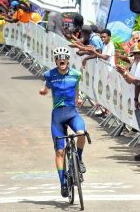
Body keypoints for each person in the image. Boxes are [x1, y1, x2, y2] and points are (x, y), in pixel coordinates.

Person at [39, 47, 87, 198]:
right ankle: (63, 183)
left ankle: (78, 158)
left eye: (64, 57)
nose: (62, 60)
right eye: (59, 57)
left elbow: (77, 88)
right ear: (56, 60)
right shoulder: (50, 75)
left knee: (81, 133)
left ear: (67, 60)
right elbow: (46, 87)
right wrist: (44, 91)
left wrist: (78, 98)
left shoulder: (76, 74)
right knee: (60, 151)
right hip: (58, 116)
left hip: (72, 113)